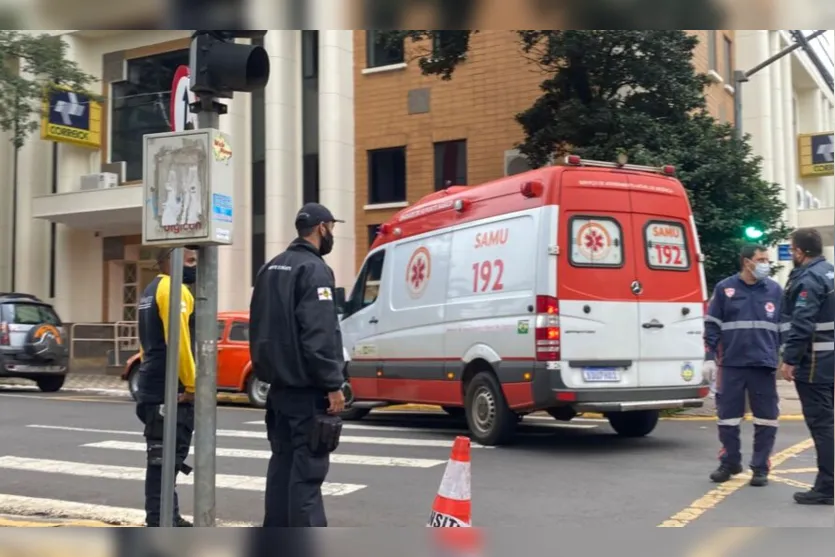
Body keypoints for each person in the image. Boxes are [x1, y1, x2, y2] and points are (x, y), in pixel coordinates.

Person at [249, 202, 348, 527]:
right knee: (307, 475)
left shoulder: (269, 268)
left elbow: (258, 326)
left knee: (282, 468)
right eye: (331, 228)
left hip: (278, 391)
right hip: (307, 393)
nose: (331, 234)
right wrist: (333, 383)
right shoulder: (314, 270)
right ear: (321, 228)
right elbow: (319, 334)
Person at [703, 244, 783, 486]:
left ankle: (760, 467)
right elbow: (712, 325)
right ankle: (730, 461)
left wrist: (788, 358)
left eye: (767, 260)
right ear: (747, 262)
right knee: (727, 417)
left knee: (766, 418)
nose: (765, 264)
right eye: (761, 260)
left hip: (763, 365)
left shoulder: (774, 290)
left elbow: (786, 327)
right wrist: (709, 357)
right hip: (732, 364)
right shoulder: (724, 288)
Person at [135, 247, 199, 527]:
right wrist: (192, 385)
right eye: (190, 260)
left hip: (151, 383)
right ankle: (161, 521)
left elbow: (144, 342)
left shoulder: (150, 290)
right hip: (171, 389)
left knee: (160, 458)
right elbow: (179, 340)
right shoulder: (175, 291)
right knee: (165, 460)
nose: (194, 266)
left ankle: (165, 516)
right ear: (170, 259)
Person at [779, 228, 834, 506]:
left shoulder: (809, 279)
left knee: (822, 425)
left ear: (800, 252)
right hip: (830, 361)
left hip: (815, 364)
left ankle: (827, 486)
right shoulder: (830, 272)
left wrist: (790, 359)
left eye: (792, 249)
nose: (792, 253)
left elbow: (802, 323)